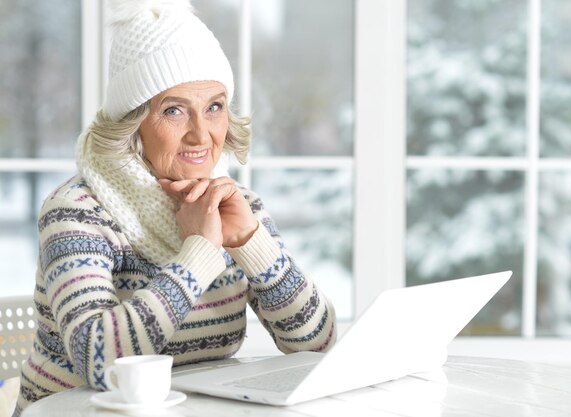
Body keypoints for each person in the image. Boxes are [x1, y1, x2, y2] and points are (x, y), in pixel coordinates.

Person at [12, 1, 336, 415]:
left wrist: (251, 243)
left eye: (214, 107)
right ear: (133, 123)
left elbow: (317, 345)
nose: (201, 135)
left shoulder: (236, 205)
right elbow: (98, 362)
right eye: (174, 110)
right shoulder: (75, 212)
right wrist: (199, 254)